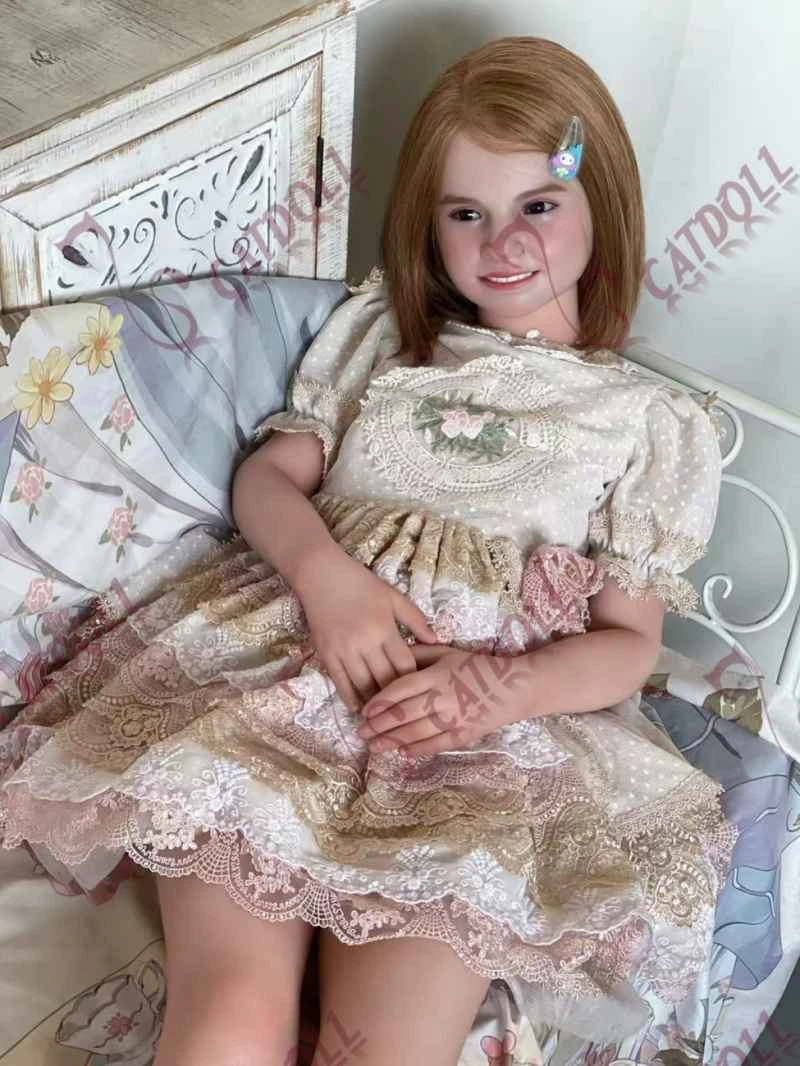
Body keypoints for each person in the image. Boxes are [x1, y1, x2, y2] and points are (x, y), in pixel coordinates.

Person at [0, 36, 736, 1066]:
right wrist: (328, 581)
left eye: (538, 203)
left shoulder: (646, 423)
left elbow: (627, 645)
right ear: (429, 225)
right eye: (465, 213)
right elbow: (268, 480)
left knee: (379, 1051)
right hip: (284, 681)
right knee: (230, 1023)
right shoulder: (386, 338)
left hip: (467, 747)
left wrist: (499, 693)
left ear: (598, 202)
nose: (503, 241)